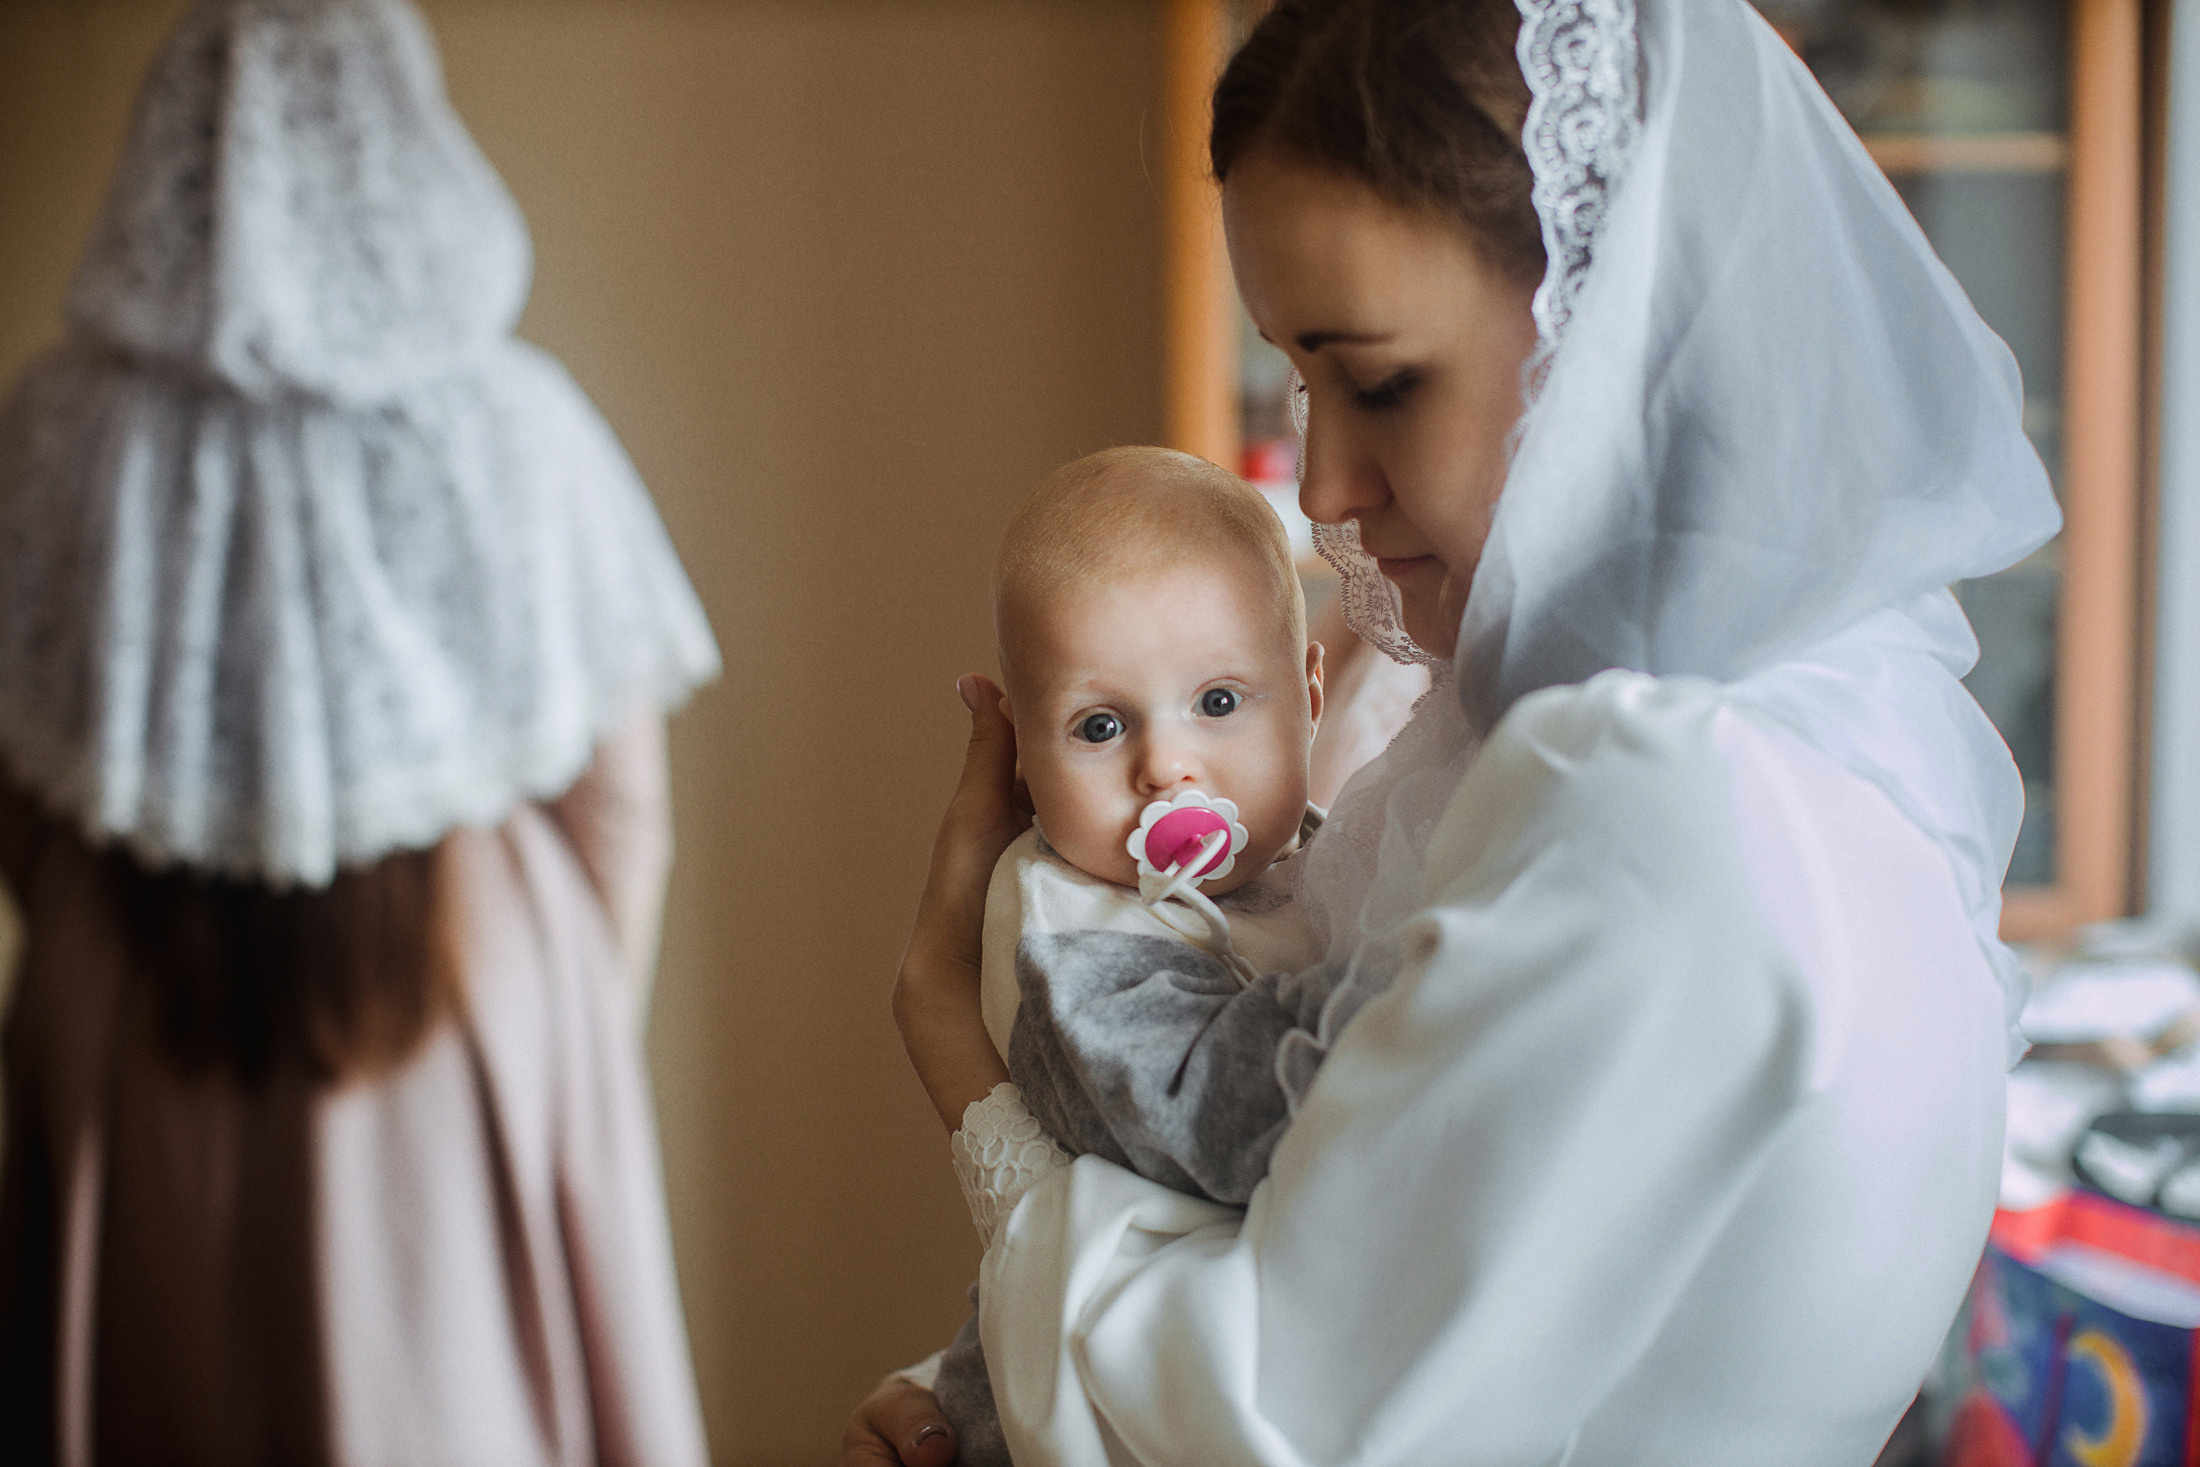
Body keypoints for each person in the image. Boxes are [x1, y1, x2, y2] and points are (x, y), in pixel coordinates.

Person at [849, 0, 2059, 1461]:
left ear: (1618, 323)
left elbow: (1266, 1421)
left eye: (1379, 380)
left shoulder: (1667, 804)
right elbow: (1407, 1283)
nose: (1325, 485)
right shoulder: (1778, 731)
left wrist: (962, 1063)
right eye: (1300, 381)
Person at [0, 1, 718, 1462]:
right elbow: (617, 808)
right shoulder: (517, 422)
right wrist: (560, 1036)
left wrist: (89, 941)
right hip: (465, 1013)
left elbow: (22, 772)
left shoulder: (54, 426)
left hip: (126, 1015)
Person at [909, 447, 1334, 1465]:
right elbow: (1203, 1119)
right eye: (1099, 726)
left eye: (1219, 702)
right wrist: (1407, 996)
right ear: (1018, 757)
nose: (1165, 766)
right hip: (1108, 1376)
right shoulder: (1077, 931)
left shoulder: (1323, 856)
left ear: (1311, 695)